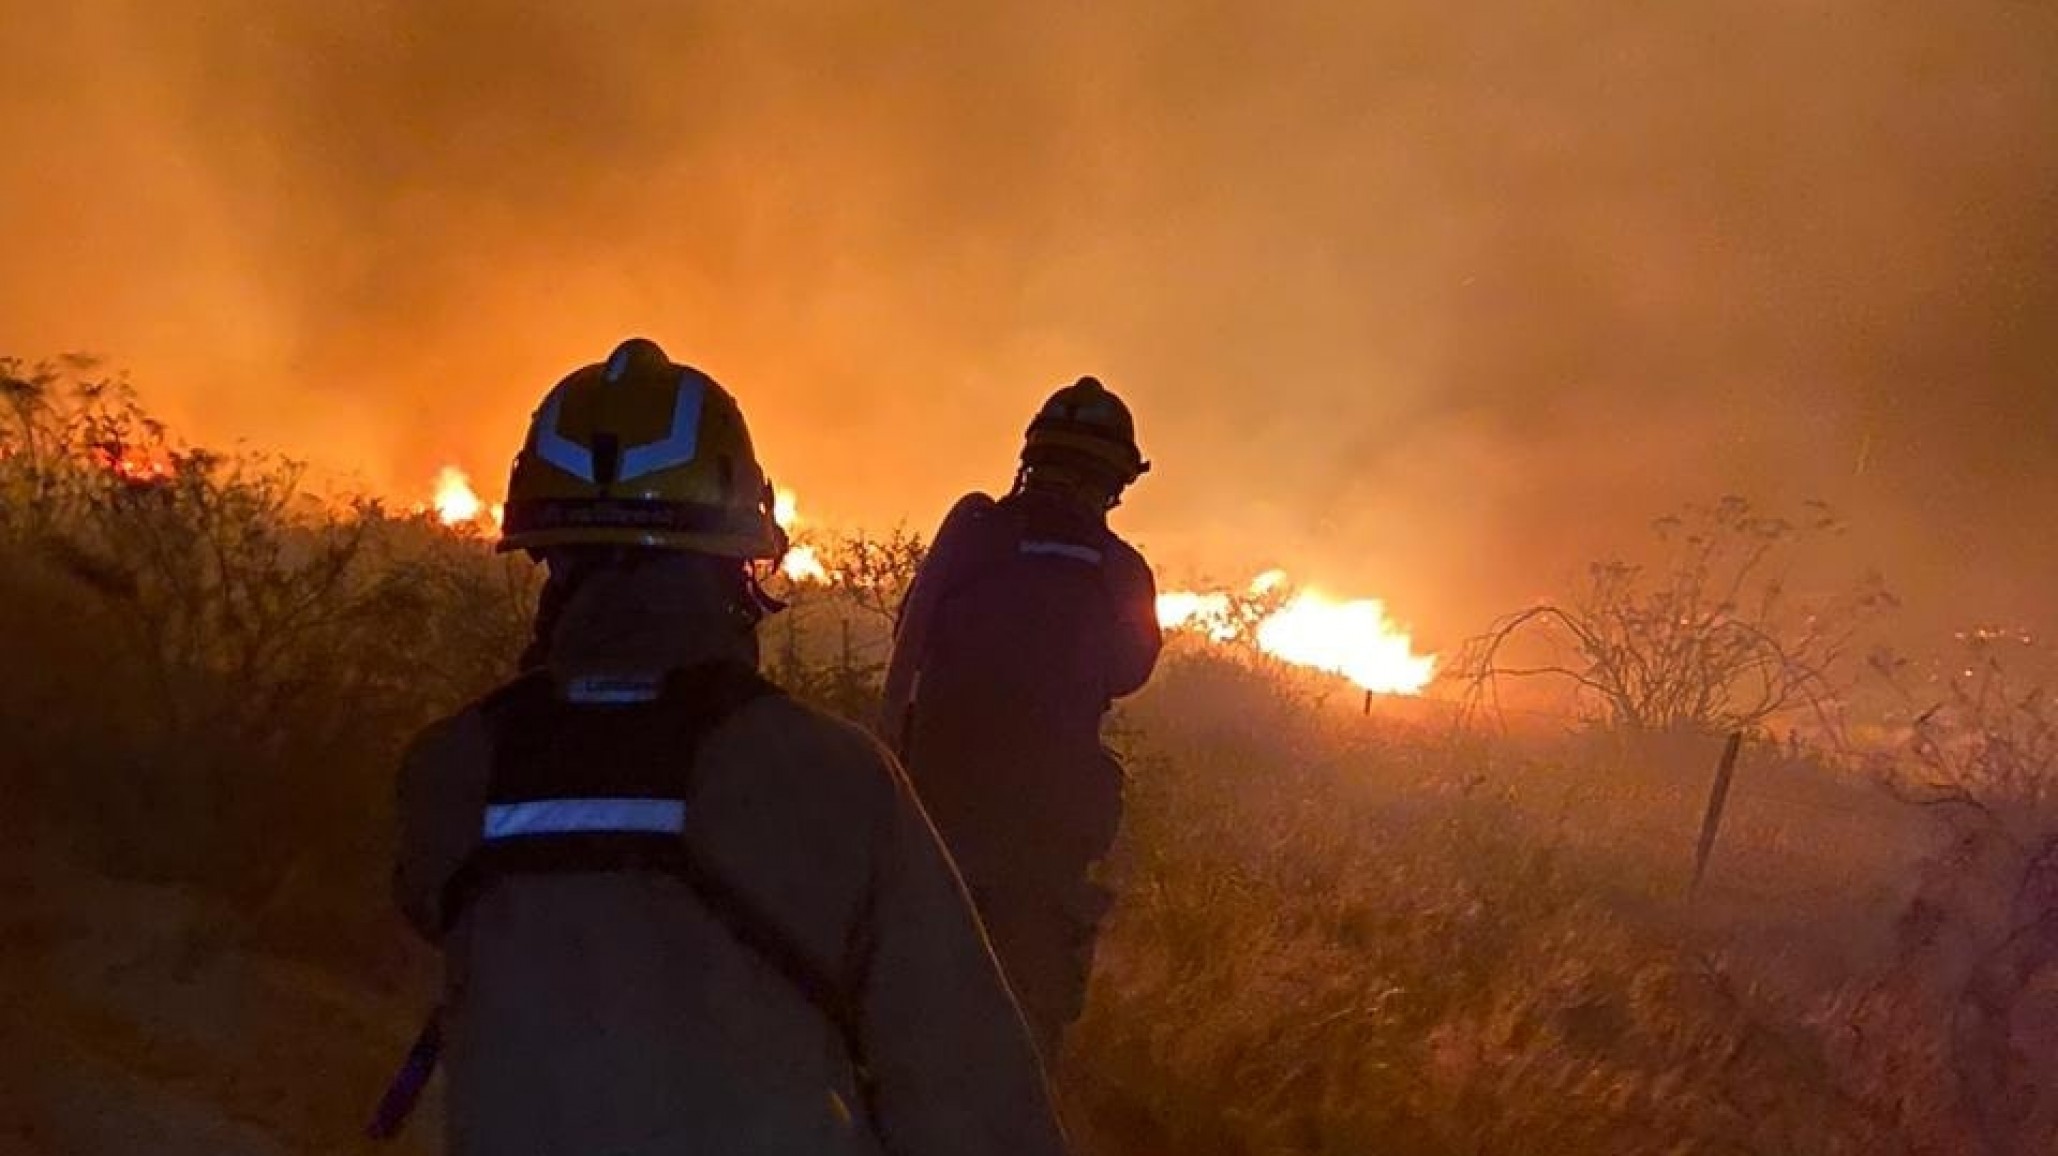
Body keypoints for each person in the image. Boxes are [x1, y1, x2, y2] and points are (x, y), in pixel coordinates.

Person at [391, 338, 1069, 1156]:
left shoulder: (449, 770)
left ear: (545, 554)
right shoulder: (833, 780)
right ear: (739, 562)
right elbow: (969, 1098)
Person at [879, 376, 1162, 1064]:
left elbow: (910, 639)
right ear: (1116, 481)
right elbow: (1128, 671)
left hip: (933, 816)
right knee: (1021, 1041)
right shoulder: (1122, 570)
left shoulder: (974, 536)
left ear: (1031, 457)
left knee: (901, 1018)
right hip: (1044, 844)